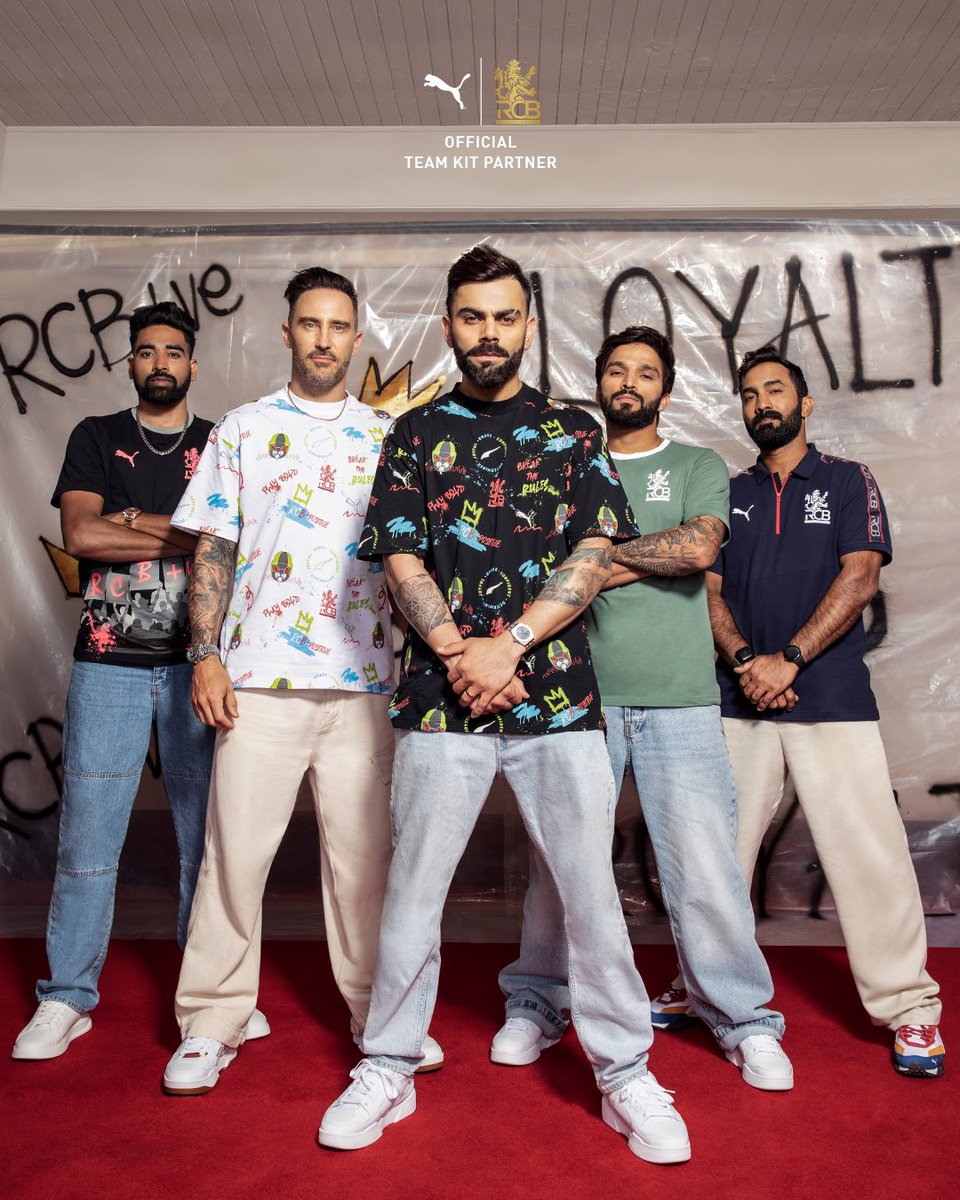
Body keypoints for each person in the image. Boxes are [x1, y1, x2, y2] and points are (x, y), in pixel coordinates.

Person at [318, 247, 691, 1165]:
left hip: (555, 696)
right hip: (440, 700)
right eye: (472, 316)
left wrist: (510, 643)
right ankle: (389, 1064)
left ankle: (624, 1073)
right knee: (413, 893)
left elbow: (596, 554)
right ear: (449, 323)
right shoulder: (413, 433)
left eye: (505, 316)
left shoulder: (574, 432)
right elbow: (400, 556)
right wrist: (461, 653)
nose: (489, 333)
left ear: (529, 324)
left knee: (591, 896)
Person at [161, 267, 442, 1096]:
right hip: (257, 680)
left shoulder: (390, 435)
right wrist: (204, 653)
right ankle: (212, 1020)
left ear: (357, 337)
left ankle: (379, 1020)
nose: (324, 339)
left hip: (364, 684)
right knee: (234, 859)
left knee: (366, 868)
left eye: (338, 325)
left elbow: (414, 559)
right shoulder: (244, 429)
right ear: (287, 333)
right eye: (309, 324)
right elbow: (213, 546)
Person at [492, 326, 792, 1091]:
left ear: (666, 387)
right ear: (598, 380)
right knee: (558, 865)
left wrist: (589, 560)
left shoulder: (696, 464)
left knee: (706, 870)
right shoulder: (561, 464)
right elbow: (532, 566)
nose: (630, 382)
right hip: (577, 697)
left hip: (680, 697)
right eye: (618, 370)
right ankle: (538, 1000)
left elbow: (697, 549)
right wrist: (636, 556)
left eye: (647, 372)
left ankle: (744, 1018)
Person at [699, 344, 943, 1078]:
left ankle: (908, 1006)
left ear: (804, 404)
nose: (761, 403)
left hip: (830, 696)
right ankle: (703, 985)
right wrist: (749, 662)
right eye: (749, 394)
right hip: (740, 697)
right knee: (714, 857)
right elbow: (708, 592)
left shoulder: (845, 479)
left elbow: (860, 576)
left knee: (868, 853)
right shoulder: (727, 491)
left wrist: (790, 659)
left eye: (775, 390)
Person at [13, 302, 216, 1061]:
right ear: (130, 362)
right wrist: (179, 531)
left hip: (201, 663)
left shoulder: (221, 442)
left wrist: (134, 521)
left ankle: (209, 999)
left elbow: (229, 541)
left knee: (208, 841)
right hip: (108, 666)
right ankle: (67, 996)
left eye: (174, 351)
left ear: (193, 364)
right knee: (88, 839)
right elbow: (80, 534)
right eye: (146, 351)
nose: (160, 362)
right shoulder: (96, 436)